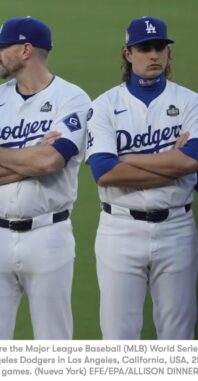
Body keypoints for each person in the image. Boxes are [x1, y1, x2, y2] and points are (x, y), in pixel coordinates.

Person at [0, 17, 91, 339]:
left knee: (53, 340)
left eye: (3, 47)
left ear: (26, 50)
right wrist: (31, 157)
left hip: (49, 235)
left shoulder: (72, 99)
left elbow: (51, 161)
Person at [86, 16, 198, 339]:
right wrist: (171, 163)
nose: (153, 55)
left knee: (178, 339)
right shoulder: (105, 106)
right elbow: (105, 172)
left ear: (167, 52)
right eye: (145, 48)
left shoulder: (190, 102)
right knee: (119, 340)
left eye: (159, 47)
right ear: (127, 54)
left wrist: (131, 159)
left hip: (177, 229)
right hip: (119, 229)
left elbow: (191, 161)